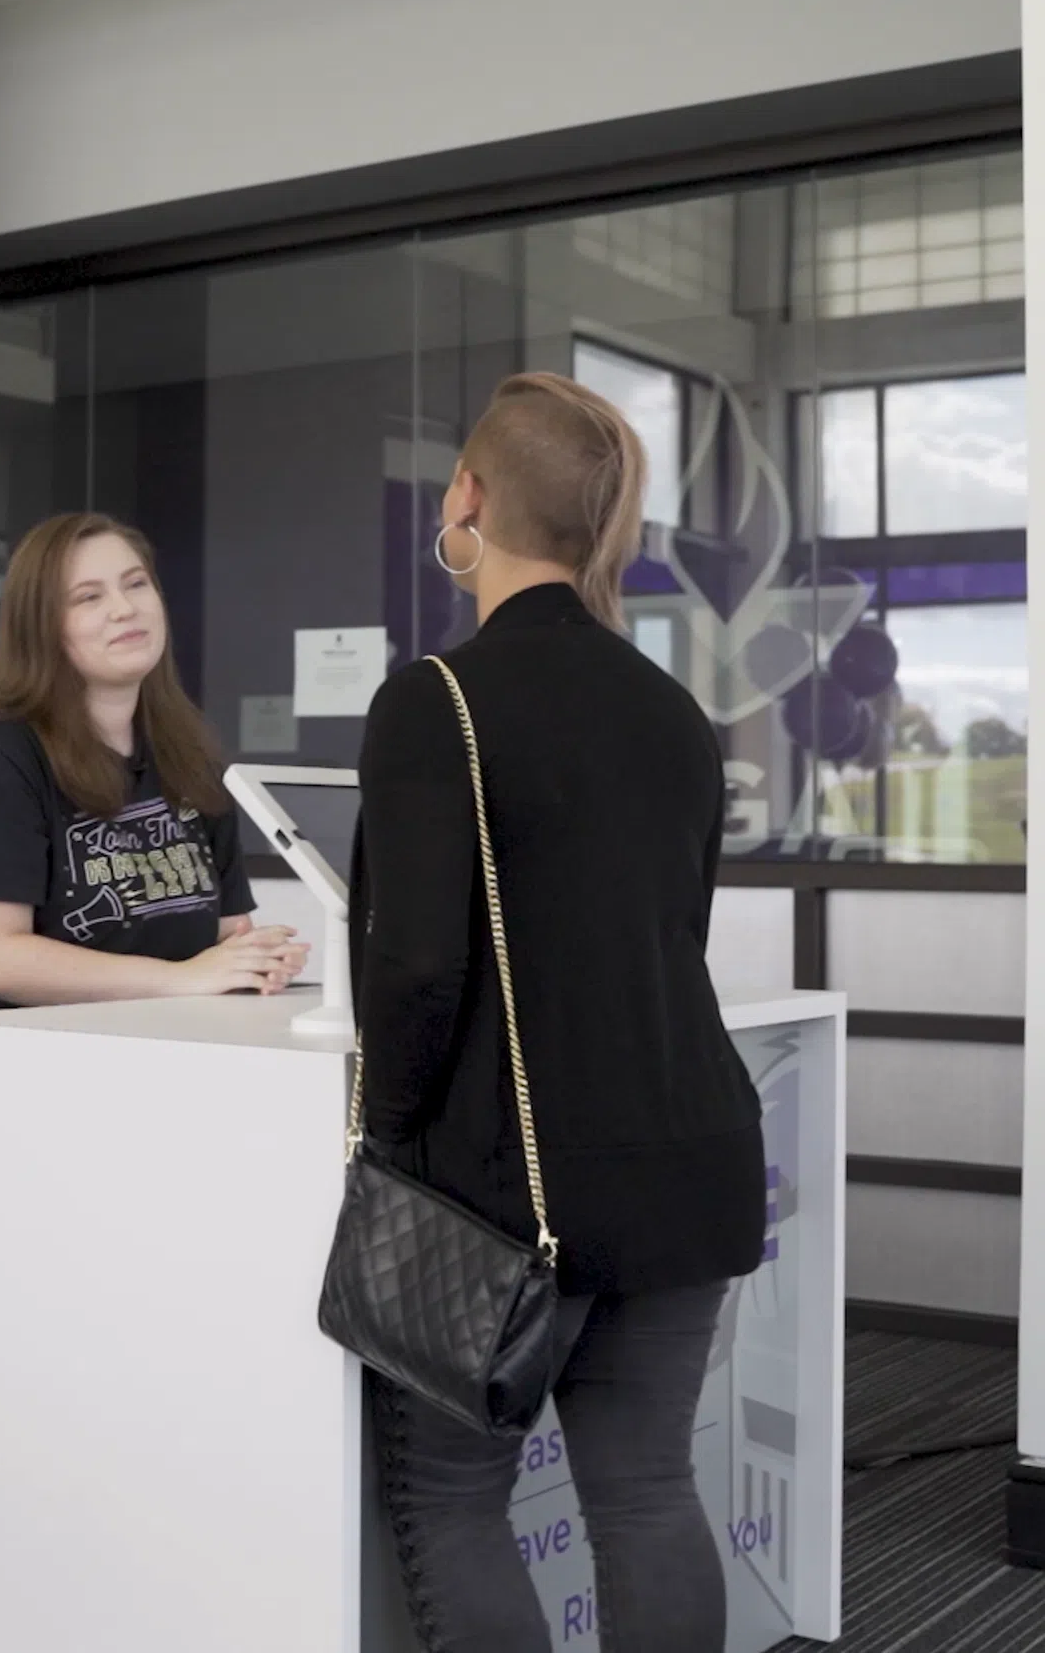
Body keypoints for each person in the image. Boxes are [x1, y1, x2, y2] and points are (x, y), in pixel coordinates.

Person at [350, 374, 765, 1652]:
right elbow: (666, 939)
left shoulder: (439, 699)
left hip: (506, 1185)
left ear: (467, 499)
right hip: (690, 1157)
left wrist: (389, 1138)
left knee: (451, 1495)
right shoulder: (676, 714)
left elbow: (416, 973)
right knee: (644, 1490)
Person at [0, 511, 307, 1013]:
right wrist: (182, 978)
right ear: (42, 629)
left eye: (136, 585)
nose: (124, 609)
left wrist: (254, 960)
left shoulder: (189, 756)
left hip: (145, 1034)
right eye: (88, 597)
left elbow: (227, 931)